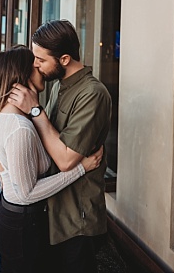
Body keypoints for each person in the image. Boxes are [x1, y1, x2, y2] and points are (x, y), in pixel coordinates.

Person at [0, 45, 103, 272]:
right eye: (35, 64)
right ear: (24, 74)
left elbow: (8, 173)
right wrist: (81, 168)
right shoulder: (20, 127)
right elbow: (27, 193)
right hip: (21, 226)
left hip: (16, 219)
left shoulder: (14, 115)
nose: (40, 67)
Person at [8, 19, 112, 272]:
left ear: (64, 59)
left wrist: (35, 110)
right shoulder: (58, 86)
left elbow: (66, 160)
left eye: (41, 60)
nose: (35, 65)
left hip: (78, 219)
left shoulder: (93, 93)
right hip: (53, 210)